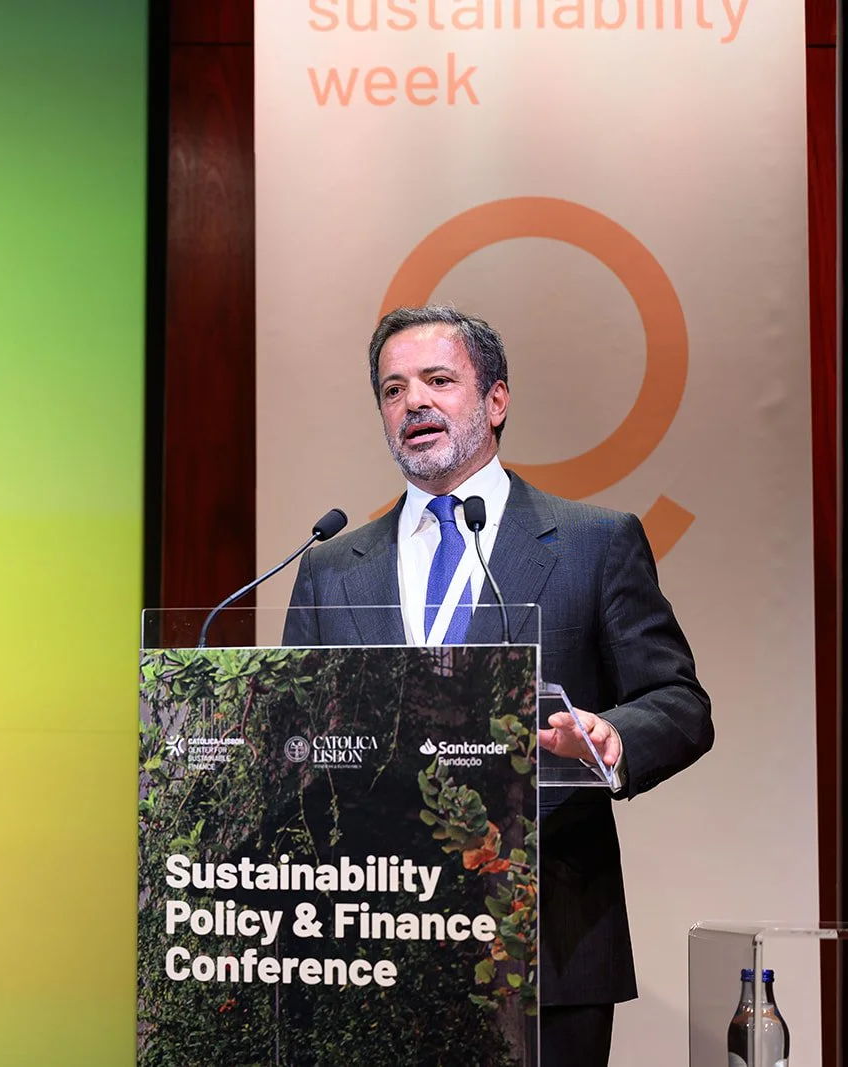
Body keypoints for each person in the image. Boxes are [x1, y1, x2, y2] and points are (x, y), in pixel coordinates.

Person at [283, 305, 713, 1065]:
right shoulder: (330, 567)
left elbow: (679, 701)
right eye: (392, 388)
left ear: (496, 400)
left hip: (546, 941)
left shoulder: (593, 542)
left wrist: (611, 738)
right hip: (372, 948)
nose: (412, 401)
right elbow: (298, 733)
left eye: (437, 380)